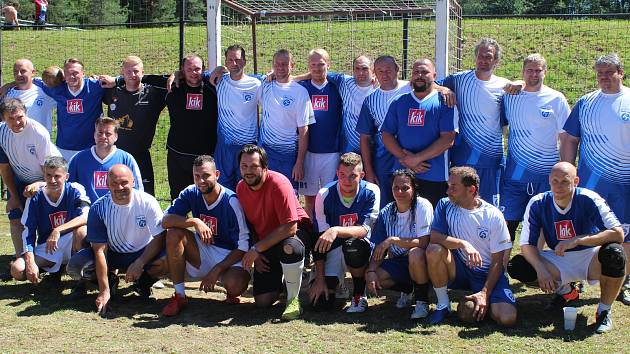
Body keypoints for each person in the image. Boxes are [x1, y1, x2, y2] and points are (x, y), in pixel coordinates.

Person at [507, 162, 626, 333]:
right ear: (549, 181)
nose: (559, 186)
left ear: (576, 181)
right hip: (558, 258)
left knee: (615, 253)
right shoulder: (538, 202)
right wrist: (541, 270)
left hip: (589, 257)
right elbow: (527, 245)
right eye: (554, 181)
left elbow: (618, 233)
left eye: (565, 181)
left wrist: (578, 240)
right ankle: (567, 291)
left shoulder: (589, 198)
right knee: (518, 265)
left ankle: (604, 311)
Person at [560, 53, 630, 306]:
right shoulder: (586, 102)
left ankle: (625, 280)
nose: (604, 77)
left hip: (624, 183)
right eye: (599, 73)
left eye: (609, 72)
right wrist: (568, 171)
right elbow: (569, 138)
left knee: (625, 233)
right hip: (590, 184)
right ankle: (574, 282)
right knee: (580, 233)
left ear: (621, 72)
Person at [66, 165, 167, 316]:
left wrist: (140, 262)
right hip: (112, 254)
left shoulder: (148, 202)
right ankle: (109, 282)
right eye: (114, 184)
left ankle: (143, 283)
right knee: (77, 266)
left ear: (133, 181)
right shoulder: (98, 208)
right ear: (107, 185)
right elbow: (100, 251)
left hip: (142, 252)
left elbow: (160, 237)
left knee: (169, 259)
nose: (120, 187)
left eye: (124, 182)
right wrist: (103, 291)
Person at [426, 166, 517, 327]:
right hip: (459, 269)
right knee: (434, 249)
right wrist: (464, 244)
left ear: (471, 189)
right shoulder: (445, 205)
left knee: (507, 318)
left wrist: (484, 293)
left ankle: (479, 303)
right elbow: (435, 237)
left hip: (486, 273)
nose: (448, 191)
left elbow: (498, 261)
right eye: (448, 186)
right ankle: (443, 305)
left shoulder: (493, 215)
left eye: (453, 187)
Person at [161, 155, 251, 316]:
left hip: (228, 254)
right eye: (197, 176)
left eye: (206, 176)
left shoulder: (231, 201)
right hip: (202, 249)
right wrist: (194, 221)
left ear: (217, 175)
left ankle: (229, 292)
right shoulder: (191, 192)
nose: (201, 181)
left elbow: (243, 246)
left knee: (236, 285)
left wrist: (217, 269)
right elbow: (165, 220)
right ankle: (179, 295)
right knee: (173, 234)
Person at [500, 54, 571, 243]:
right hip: (515, 174)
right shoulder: (510, 96)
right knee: (508, 224)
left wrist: (567, 169)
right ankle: (501, 270)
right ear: (523, 72)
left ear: (545, 72)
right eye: (529, 70)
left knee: (540, 225)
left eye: (538, 70)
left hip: (545, 174)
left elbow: (565, 137)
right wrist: (513, 84)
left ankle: (537, 270)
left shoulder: (556, 99)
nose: (533, 74)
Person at [236, 145, 311, 320]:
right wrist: (258, 251)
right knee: (263, 301)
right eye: (244, 166)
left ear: (265, 168)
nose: (249, 171)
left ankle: (294, 299)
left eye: (254, 166)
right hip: (269, 239)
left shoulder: (279, 183)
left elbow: (290, 227)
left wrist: (256, 249)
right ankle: (289, 282)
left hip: (296, 233)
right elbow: (249, 224)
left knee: (290, 248)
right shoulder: (240, 188)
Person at [440, 38, 512, 207]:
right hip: (463, 155)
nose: (483, 60)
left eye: (488, 57)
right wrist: (444, 89)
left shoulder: (503, 85)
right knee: (460, 203)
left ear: (496, 60)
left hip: (491, 157)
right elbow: (432, 85)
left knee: (488, 206)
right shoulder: (459, 79)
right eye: (480, 56)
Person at [308, 152, 379, 313]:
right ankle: (337, 284)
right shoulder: (324, 194)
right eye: (342, 175)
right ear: (336, 174)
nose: (347, 180)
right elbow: (318, 239)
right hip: (332, 248)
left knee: (353, 245)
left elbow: (363, 230)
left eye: (352, 176)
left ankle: (359, 293)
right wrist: (320, 280)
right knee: (320, 303)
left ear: (362, 175)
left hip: (360, 247)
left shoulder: (371, 191)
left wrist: (336, 229)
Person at [141, 54, 219, 200]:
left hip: (206, 155)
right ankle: (176, 222)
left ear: (204, 70)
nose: (194, 73)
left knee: (206, 197)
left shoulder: (213, 87)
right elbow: (144, 78)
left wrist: (221, 68)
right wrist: (116, 80)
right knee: (177, 198)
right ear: (182, 70)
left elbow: (236, 76)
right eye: (189, 69)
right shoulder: (172, 86)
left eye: (197, 69)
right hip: (178, 155)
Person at [381, 58, 457, 208]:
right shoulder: (398, 101)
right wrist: (405, 158)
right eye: (416, 72)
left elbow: (448, 139)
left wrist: (417, 159)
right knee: (403, 220)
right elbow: (386, 135)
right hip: (402, 175)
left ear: (434, 76)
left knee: (431, 223)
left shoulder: (444, 102)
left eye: (425, 72)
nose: (419, 75)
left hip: (434, 175)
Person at [0, 98, 61, 280]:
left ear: (25, 113)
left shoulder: (38, 132)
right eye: (11, 119)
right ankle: (21, 259)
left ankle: (53, 261)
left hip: (48, 176)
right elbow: (4, 168)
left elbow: (49, 170)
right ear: (3, 119)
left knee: (45, 219)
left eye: (19, 117)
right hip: (21, 178)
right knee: (15, 215)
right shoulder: (1, 133)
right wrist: (13, 195)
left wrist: (42, 185)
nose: (17, 122)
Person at [10, 156, 89, 287]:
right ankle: (55, 269)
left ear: (66, 176)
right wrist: (30, 262)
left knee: (82, 231)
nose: (52, 180)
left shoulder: (76, 189)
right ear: (44, 175)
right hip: (49, 247)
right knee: (17, 270)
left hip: (71, 242)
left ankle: (81, 282)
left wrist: (58, 230)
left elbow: (85, 217)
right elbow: (28, 232)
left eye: (57, 176)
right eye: (48, 175)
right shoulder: (35, 197)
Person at [366, 169, 434, 319]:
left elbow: (424, 243)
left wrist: (393, 240)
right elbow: (379, 247)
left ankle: (422, 300)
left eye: (405, 187)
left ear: (414, 188)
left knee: (415, 253)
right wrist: (370, 271)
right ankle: (409, 289)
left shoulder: (423, 205)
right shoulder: (386, 212)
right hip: (399, 261)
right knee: (376, 277)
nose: (400, 191)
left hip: (423, 260)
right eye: (396, 187)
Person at [102, 55, 167, 196]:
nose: (133, 75)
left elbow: (169, 80)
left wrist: (118, 80)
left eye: (136, 71)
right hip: (116, 154)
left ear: (143, 72)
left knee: (146, 196)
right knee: (115, 194)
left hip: (141, 154)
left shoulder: (153, 93)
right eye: (128, 72)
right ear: (122, 73)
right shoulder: (112, 92)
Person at [356, 55, 412, 207]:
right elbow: (365, 138)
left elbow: (432, 85)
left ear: (397, 70)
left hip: (413, 157)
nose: (384, 74)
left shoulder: (411, 88)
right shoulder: (371, 100)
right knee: (385, 205)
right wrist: (368, 170)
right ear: (375, 73)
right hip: (383, 162)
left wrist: (444, 89)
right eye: (380, 71)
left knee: (411, 202)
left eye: (388, 70)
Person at [257, 49, 314, 189]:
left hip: (288, 154)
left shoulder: (300, 92)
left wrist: (299, 162)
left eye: (284, 64)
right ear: (273, 66)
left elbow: (304, 130)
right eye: (277, 64)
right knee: (265, 194)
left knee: (286, 195)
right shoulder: (265, 84)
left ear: (292, 65)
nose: (280, 67)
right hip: (265, 151)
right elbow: (239, 76)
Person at [297, 49, 343, 219]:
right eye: (313, 65)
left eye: (321, 64)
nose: (317, 68)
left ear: (328, 65)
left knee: (330, 197)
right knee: (309, 199)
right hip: (308, 152)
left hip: (332, 152)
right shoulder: (301, 87)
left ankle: (329, 233)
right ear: (308, 66)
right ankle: (310, 234)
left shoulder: (337, 87)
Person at [34, 58, 107, 161]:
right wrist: (9, 85)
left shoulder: (96, 87)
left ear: (83, 73)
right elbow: (32, 80)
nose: (72, 76)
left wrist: (110, 80)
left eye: (75, 73)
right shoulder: (56, 89)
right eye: (68, 73)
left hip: (91, 148)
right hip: (64, 148)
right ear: (63, 75)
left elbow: (122, 80)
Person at [214, 45, 262, 191]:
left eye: (238, 60)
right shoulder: (218, 80)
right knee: (223, 191)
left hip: (246, 148)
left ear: (245, 62)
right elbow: (192, 73)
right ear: (226, 62)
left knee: (247, 192)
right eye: (230, 60)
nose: (234, 64)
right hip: (224, 148)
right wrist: (176, 74)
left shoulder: (256, 84)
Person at [68, 117, 143, 204]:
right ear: (94, 135)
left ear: (116, 137)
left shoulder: (126, 158)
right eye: (100, 133)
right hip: (87, 212)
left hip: (119, 210)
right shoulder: (78, 158)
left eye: (108, 134)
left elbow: (138, 190)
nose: (103, 136)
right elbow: (69, 189)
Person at [5, 59, 56, 135]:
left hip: (41, 142)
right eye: (15, 71)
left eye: (23, 71)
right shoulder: (7, 94)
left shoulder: (45, 91)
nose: (18, 74)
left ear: (33, 72)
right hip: (15, 142)